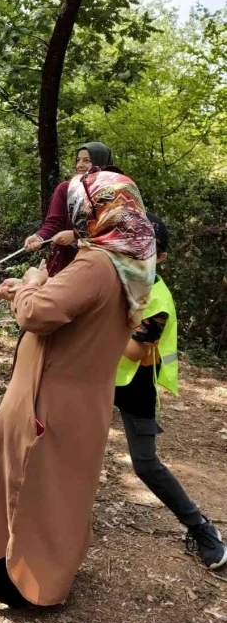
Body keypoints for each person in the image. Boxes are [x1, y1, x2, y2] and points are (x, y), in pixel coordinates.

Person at [0, 167, 156, 607]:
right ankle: (40, 571)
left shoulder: (97, 263)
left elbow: (37, 314)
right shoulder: (131, 262)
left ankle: (16, 583)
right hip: (83, 398)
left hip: (50, 397)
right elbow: (72, 308)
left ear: (97, 209)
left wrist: (29, 284)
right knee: (62, 490)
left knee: (26, 483)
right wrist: (35, 289)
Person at [115, 213, 227, 570]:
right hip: (96, 378)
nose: (135, 251)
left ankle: (201, 527)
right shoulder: (111, 277)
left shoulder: (157, 299)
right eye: (130, 243)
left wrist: (95, 323)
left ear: (159, 257)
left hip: (134, 384)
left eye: (146, 247)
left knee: (146, 465)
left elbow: (134, 351)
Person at [24, 141, 114, 275]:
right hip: (65, 262)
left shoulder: (114, 192)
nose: (80, 165)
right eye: (78, 160)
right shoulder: (66, 189)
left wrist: (75, 235)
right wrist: (39, 237)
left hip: (101, 263)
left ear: (101, 163)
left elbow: (113, 228)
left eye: (87, 160)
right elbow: (54, 223)